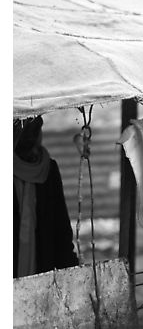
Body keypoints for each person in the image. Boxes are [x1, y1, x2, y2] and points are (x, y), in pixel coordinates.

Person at [13, 116, 79, 278]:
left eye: (33, 132)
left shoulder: (48, 169)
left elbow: (60, 227)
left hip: (41, 266)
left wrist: (72, 275)